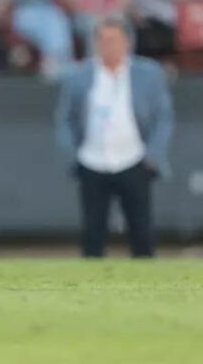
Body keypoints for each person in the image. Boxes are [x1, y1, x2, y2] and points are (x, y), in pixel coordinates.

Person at [55, 17, 174, 258]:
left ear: (127, 42)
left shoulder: (148, 73)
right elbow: (64, 118)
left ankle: (146, 284)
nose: (109, 45)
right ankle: (90, 286)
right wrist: (73, 155)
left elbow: (163, 117)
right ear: (96, 43)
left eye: (115, 39)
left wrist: (153, 154)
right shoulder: (79, 76)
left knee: (141, 229)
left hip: (134, 159)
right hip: (92, 160)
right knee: (93, 230)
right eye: (103, 40)